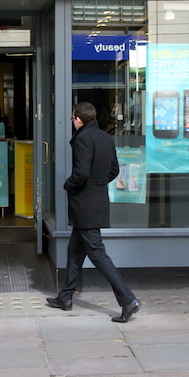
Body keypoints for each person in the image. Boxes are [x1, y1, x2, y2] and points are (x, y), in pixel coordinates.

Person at [46, 102, 141, 323]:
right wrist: (98, 185)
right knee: (75, 252)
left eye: (73, 119)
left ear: (79, 119)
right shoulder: (106, 137)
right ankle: (65, 297)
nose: (73, 122)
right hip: (97, 199)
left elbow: (81, 173)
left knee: (97, 253)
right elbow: (114, 170)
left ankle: (128, 300)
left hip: (84, 202)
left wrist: (68, 184)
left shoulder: (82, 138)